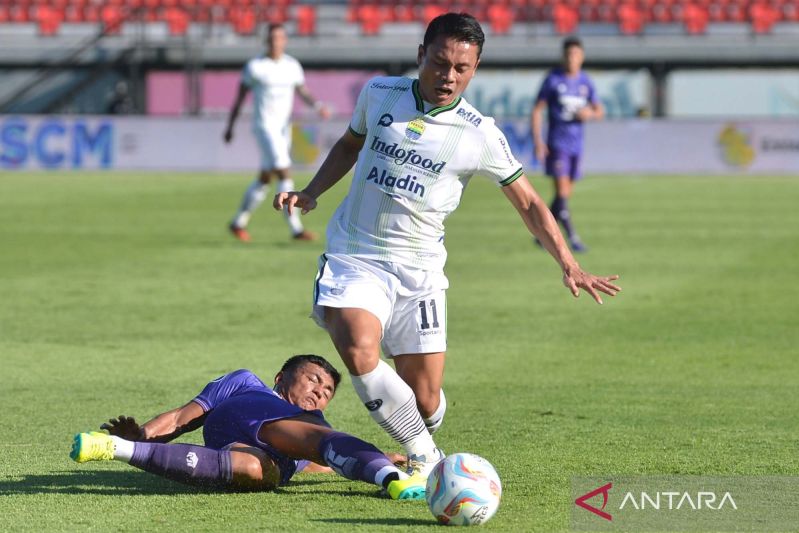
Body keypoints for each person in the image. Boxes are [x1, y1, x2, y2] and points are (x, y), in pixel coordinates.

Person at [274, 13, 621, 478]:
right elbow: (348, 145)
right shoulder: (380, 94)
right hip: (356, 254)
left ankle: (420, 425)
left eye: (462, 68)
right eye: (440, 63)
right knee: (359, 347)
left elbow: (530, 202)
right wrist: (312, 191)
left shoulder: (479, 133)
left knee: (425, 401)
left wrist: (568, 263)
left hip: (420, 271)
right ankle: (426, 457)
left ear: (475, 68)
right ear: (421, 55)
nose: (449, 76)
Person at [70, 354, 425, 499]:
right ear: (281, 377)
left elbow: (320, 463)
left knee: (255, 470)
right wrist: (145, 431)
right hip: (249, 413)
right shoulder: (246, 383)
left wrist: (383, 455)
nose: (319, 391)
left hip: (259, 453)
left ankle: (114, 449)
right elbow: (182, 417)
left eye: (327, 390)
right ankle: (391, 482)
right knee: (322, 438)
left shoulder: (313, 423)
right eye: (313, 379)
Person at [223, 23, 330, 243]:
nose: (275, 42)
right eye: (271, 38)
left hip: (283, 128)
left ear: (285, 40)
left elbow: (302, 90)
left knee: (265, 178)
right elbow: (239, 98)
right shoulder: (255, 67)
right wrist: (230, 126)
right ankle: (296, 229)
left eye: (279, 37)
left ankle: (238, 223)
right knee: (284, 171)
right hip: (264, 127)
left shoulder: (292, 66)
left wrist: (318, 105)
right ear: (266, 41)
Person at [531, 36, 605, 253]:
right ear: (563, 57)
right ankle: (573, 238)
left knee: (564, 196)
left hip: (577, 145)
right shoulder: (553, 80)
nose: (572, 58)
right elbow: (537, 109)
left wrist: (589, 113)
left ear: (581, 57)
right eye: (569, 54)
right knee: (562, 193)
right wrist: (538, 140)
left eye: (576, 54)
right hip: (558, 143)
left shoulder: (585, 82)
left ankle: (540, 234)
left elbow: (600, 111)